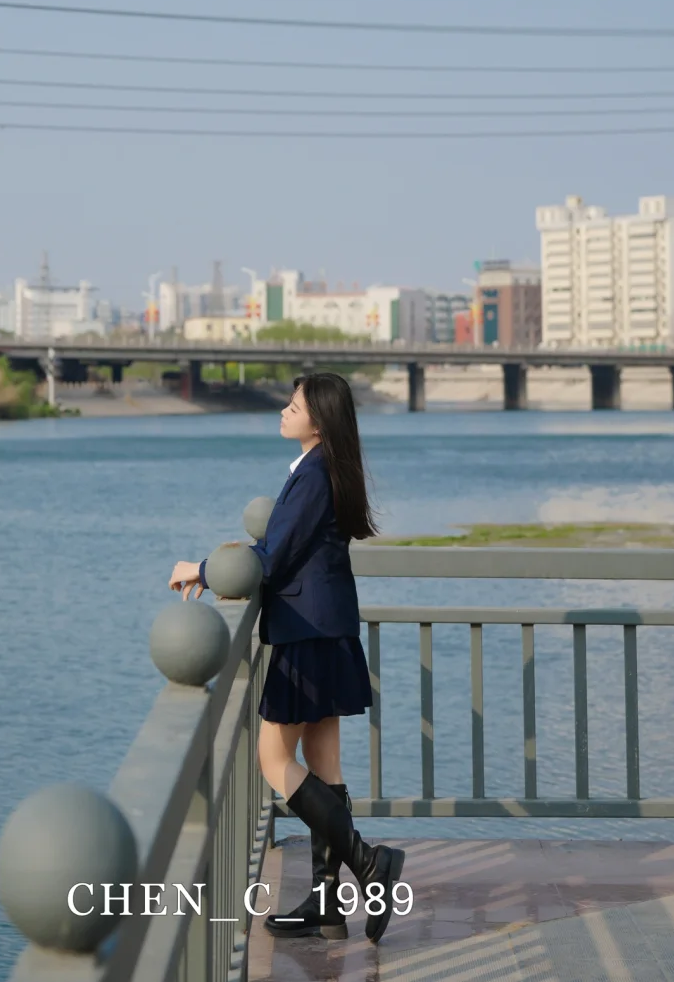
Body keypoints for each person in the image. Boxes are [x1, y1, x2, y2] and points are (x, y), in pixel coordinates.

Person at [169, 371, 406, 946]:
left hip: (307, 633)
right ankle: (327, 904)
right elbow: (288, 550)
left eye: (293, 404)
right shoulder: (326, 469)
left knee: (273, 760)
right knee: (324, 765)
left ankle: (370, 863)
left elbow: (272, 557)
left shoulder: (313, 475)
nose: (283, 409)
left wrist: (202, 569)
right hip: (326, 626)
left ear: (317, 420)